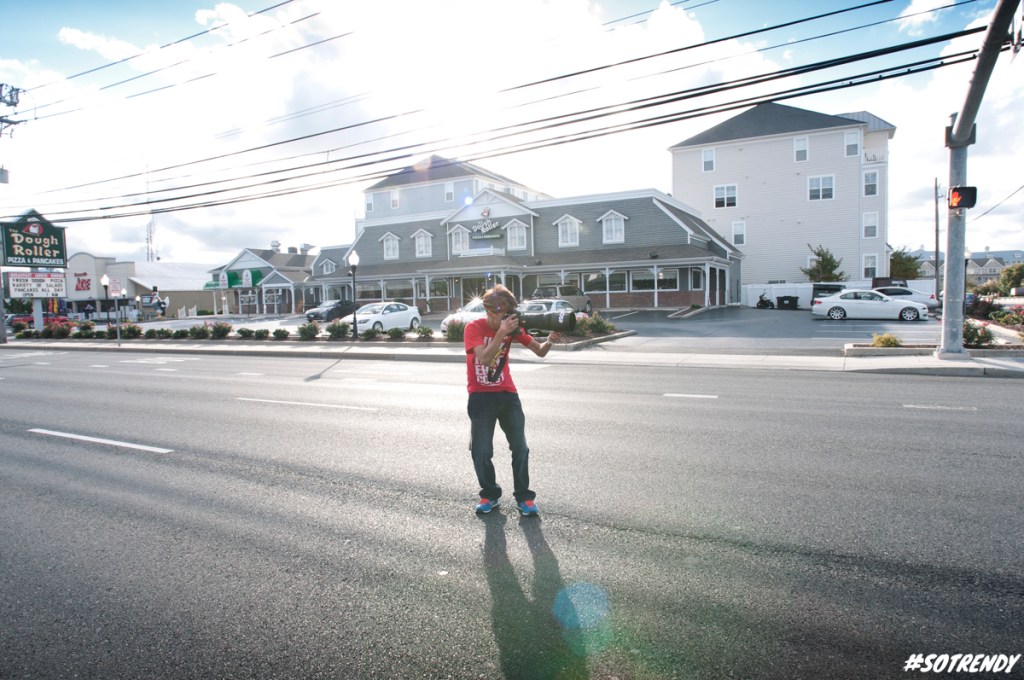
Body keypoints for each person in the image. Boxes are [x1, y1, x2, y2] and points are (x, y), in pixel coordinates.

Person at [464, 284, 558, 516]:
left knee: (521, 447)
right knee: (481, 451)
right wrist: (501, 332)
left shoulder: (512, 329)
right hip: (480, 397)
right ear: (489, 311)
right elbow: (485, 359)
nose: (505, 318)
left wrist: (550, 340)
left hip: (508, 395)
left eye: (508, 314)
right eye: (501, 314)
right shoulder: (473, 328)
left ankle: (524, 498)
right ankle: (490, 495)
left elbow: (540, 352)